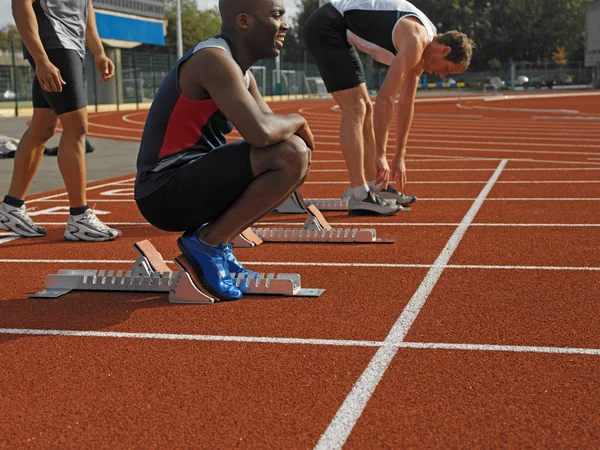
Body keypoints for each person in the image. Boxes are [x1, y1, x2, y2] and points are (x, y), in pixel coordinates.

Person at [134, 0, 314, 301]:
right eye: (277, 15)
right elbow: (262, 133)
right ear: (244, 22)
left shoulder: (242, 72)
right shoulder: (212, 60)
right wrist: (299, 119)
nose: (286, 25)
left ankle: (216, 244)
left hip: (190, 181)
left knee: (293, 155)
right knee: (291, 154)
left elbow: (270, 132)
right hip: (162, 190)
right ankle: (208, 244)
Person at [303, 0, 474, 215]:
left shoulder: (424, 50)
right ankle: (359, 195)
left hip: (340, 31)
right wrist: (381, 155)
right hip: (326, 26)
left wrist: (399, 155)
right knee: (355, 108)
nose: (441, 75)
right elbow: (385, 97)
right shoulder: (416, 41)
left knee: (365, 107)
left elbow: (405, 103)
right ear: (445, 50)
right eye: (447, 69)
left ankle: (376, 186)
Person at [0, 0, 120, 241]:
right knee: (76, 128)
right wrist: (41, 59)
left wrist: (98, 52)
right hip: (54, 47)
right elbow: (20, 4)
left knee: (43, 128)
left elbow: (86, 12)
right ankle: (79, 216)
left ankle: (11, 207)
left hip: (70, 48)